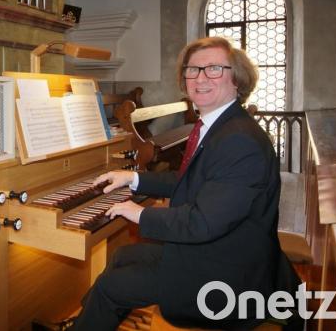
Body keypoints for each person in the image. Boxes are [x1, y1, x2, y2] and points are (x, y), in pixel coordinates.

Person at [68, 37, 302, 330]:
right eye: (193, 69)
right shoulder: (221, 125)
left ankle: (92, 316)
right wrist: (133, 177)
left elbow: (203, 222)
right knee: (122, 255)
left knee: (111, 287)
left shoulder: (239, 140)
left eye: (214, 69)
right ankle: (85, 320)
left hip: (225, 277)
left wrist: (139, 213)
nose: (200, 78)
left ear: (236, 79)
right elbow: (189, 181)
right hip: (218, 251)